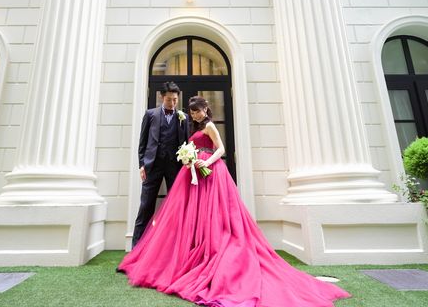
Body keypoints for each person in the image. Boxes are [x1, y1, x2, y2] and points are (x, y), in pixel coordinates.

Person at [119, 96, 350, 306]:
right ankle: (194, 249)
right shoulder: (193, 127)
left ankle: (213, 252)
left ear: (205, 109)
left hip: (211, 173)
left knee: (215, 214)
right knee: (194, 215)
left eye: (197, 111)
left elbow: (221, 149)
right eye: (192, 112)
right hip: (194, 173)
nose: (195, 115)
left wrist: (206, 163)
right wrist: (190, 159)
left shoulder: (210, 126)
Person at [132, 81, 190, 247]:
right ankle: (137, 248)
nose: (172, 103)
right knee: (146, 206)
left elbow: (186, 143)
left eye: (175, 100)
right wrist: (141, 165)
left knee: (176, 206)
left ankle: (175, 246)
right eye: (169, 99)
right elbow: (142, 143)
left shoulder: (183, 118)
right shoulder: (150, 114)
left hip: (175, 167)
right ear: (162, 98)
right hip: (153, 166)